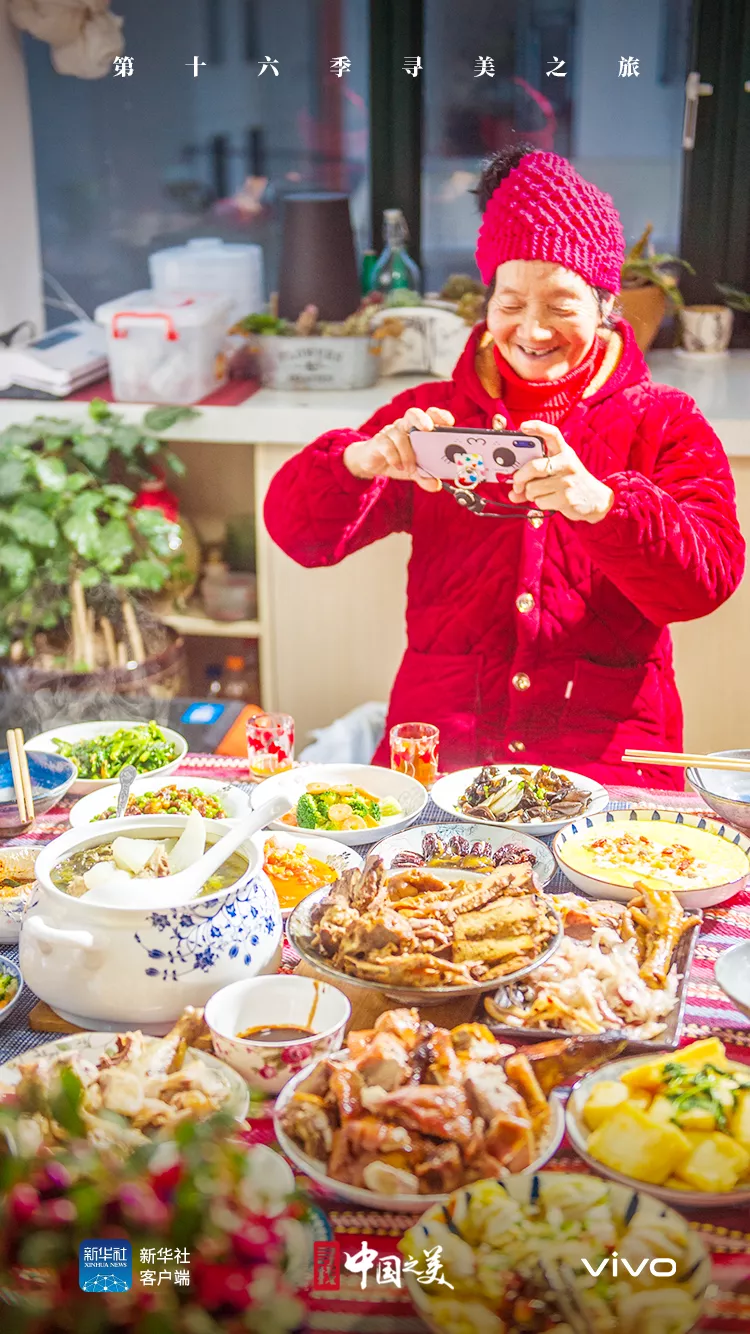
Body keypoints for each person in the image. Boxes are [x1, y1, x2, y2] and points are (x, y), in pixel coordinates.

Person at [264, 147, 745, 789]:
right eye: (511, 303)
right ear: (486, 303)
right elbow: (299, 534)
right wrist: (362, 460)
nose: (532, 329)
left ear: (605, 305)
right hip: (442, 756)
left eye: (560, 304)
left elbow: (705, 582)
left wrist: (604, 506)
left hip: (605, 763)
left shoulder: (663, 420)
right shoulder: (430, 414)